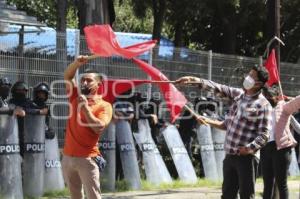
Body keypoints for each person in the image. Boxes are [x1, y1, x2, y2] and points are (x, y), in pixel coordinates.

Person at [176, 66, 272, 199]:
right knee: (227, 194)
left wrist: (249, 149)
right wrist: (194, 80)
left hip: (246, 159)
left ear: (259, 84)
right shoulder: (238, 96)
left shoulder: (263, 105)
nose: (247, 78)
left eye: (252, 76)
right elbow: (217, 89)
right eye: (248, 74)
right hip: (230, 156)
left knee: (246, 195)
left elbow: (264, 135)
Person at [62, 55, 112, 199]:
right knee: (75, 196)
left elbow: (99, 127)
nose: (84, 82)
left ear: (98, 84)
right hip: (67, 157)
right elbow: (68, 75)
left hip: (87, 159)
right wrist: (77, 63)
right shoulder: (74, 95)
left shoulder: (104, 106)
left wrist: (85, 108)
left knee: (93, 197)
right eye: (82, 79)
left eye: (89, 80)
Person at [261, 86, 300, 199]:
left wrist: (287, 99)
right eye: (265, 96)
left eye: (269, 96)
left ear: (277, 97)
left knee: (281, 183)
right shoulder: (263, 109)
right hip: (266, 148)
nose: (267, 99)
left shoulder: (284, 107)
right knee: (267, 184)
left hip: (281, 149)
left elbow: (297, 101)